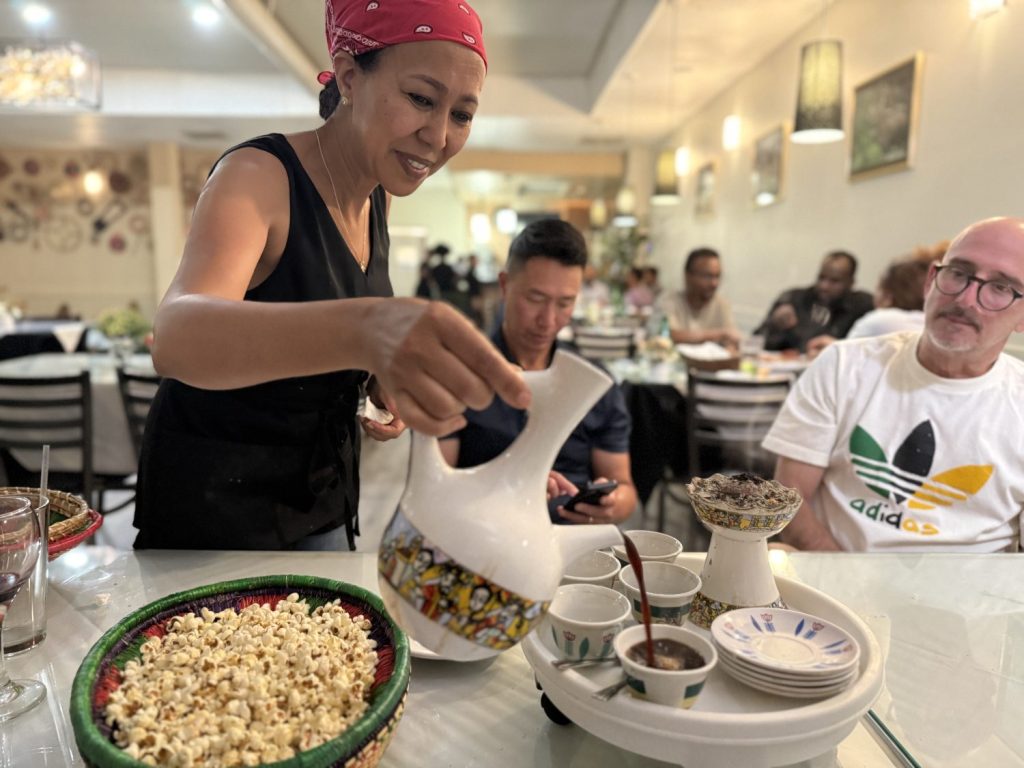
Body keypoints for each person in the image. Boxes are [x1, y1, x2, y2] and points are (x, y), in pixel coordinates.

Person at [133, 0, 529, 551]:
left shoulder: (379, 200)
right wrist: (367, 331)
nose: (439, 137)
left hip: (322, 497)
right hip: (214, 510)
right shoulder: (260, 174)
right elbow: (176, 338)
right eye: (420, 99)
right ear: (348, 76)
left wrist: (375, 376)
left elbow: (315, 337)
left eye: (462, 114)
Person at [763, 217, 1024, 552]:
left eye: (1000, 287)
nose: (966, 299)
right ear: (931, 280)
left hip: (974, 601)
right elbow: (789, 500)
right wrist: (849, 592)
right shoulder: (844, 366)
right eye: (958, 273)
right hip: (833, 586)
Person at [440, 219, 638, 526]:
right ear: (504, 285)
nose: (548, 320)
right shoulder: (458, 374)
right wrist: (510, 480)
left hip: (571, 540)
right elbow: (437, 488)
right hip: (480, 535)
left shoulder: (593, 385)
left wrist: (612, 504)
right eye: (535, 299)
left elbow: (623, 488)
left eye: (565, 303)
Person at [805, 247, 940, 357]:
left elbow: (843, 361)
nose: (825, 286)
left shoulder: (879, 320)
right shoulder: (934, 325)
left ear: (887, 295)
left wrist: (830, 350)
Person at [755, 251, 874, 352]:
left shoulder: (862, 306)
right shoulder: (794, 299)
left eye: (834, 281)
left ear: (851, 283)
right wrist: (774, 327)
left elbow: (870, 352)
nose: (824, 286)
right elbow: (756, 342)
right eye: (821, 278)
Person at [661, 247, 739, 347]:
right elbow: (668, 335)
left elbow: (732, 341)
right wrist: (720, 334)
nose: (714, 283)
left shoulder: (721, 305)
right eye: (707, 276)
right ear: (688, 276)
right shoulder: (669, 301)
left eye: (717, 276)